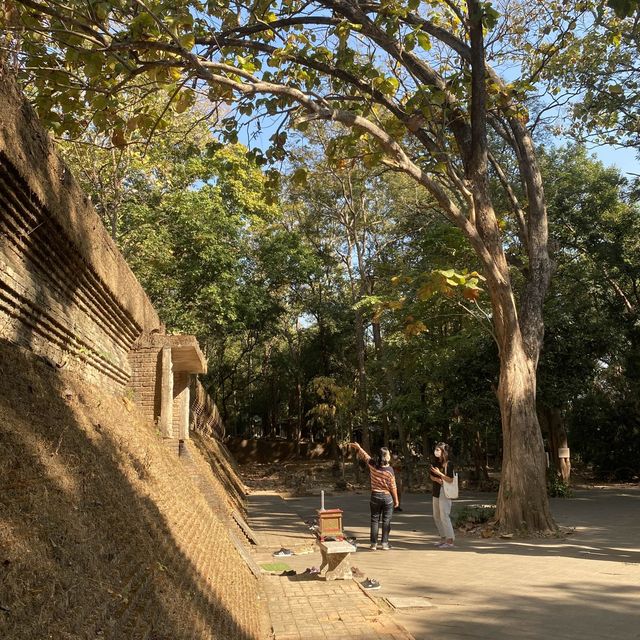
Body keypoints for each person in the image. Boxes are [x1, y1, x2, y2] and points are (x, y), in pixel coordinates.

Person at [350, 442, 399, 550]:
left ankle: (373, 544)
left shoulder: (373, 465)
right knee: (386, 521)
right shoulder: (390, 471)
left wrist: (359, 448)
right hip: (387, 498)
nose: (390, 456)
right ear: (385, 456)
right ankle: (385, 544)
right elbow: (393, 487)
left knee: (374, 520)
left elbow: (365, 456)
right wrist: (396, 500)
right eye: (388, 454)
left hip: (375, 496)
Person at [429, 442, 456, 549]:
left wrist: (440, 474)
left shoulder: (449, 464)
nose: (436, 452)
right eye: (436, 449)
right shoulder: (435, 463)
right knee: (436, 516)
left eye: (438, 450)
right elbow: (431, 476)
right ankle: (443, 538)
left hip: (445, 492)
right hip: (436, 491)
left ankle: (450, 540)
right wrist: (436, 478)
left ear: (444, 451)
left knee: (444, 515)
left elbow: (450, 479)